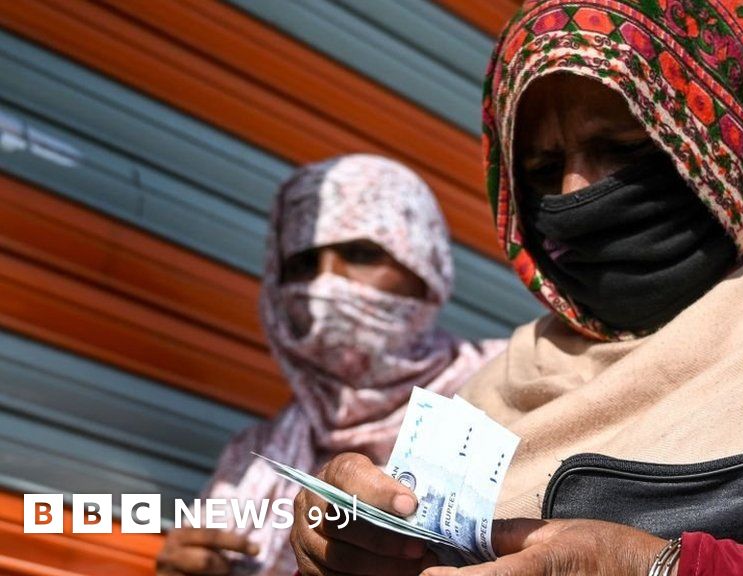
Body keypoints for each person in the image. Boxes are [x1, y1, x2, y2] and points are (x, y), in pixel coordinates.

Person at [290, 1, 743, 575]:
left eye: (621, 149)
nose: (575, 194)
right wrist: (345, 550)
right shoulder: (496, 398)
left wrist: (666, 567)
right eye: (541, 171)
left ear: (732, 141)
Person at [156, 154, 506, 576]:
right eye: (303, 264)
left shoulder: (508, 391)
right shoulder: (254, 456)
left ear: (425, 266)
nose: (324, 283)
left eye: (360, 253)